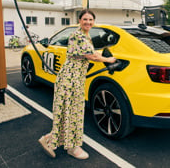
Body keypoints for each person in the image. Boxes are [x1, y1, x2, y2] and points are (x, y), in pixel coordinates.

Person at [38, 9, 116, 159]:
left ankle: (49, 139)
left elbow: (93, 52)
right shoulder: (77, 35)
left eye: (90, 20)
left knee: (69, 112)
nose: (88, 22)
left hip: (76, 79)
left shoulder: (86, 36)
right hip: (70, 79)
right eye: (85, 19)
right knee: (73, 113)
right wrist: (109, 60)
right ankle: (73, 148)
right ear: (79, 21)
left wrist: (107, 56)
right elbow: (91, 55)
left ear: (94, 21)